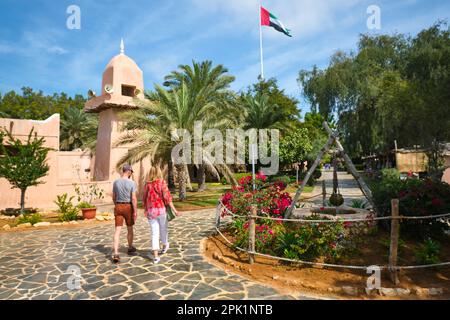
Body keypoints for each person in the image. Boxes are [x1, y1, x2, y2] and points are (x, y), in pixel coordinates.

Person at [143, 166, 180, 264]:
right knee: (163, 229)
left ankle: (156, 257)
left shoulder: (147, 184)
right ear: (159, 172)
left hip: (151, 211)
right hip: (161, 210)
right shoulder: (162, 183)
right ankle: (164, 245)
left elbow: (144, 198)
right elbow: (167, 198)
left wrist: (145, 209)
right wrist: (175, 210)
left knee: (154, 233)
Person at [112, 164, 138, 263]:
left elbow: (113, 197)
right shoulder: (132, 183)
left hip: (118, 206)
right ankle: (130, 247)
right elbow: (134, 198)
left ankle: (116, 253)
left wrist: (117, 205)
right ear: (129, 171)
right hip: (128, 207)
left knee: (117, 230)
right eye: (131, 172)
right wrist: (135, 211)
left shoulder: (116, 182)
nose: (131, 173)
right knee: (130, 228)